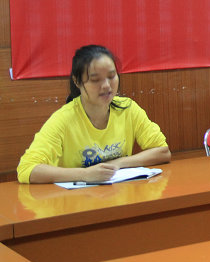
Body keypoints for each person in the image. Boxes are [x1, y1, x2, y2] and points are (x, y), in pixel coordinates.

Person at [17, 45, 171, 184]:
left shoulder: (127, 108)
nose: (106, 86)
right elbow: (27, 169)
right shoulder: (63, 119)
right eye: (95, 80)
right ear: (77, 81)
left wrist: (117, 163)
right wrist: (85, 174)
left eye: (111, 76)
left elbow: (162, 152)